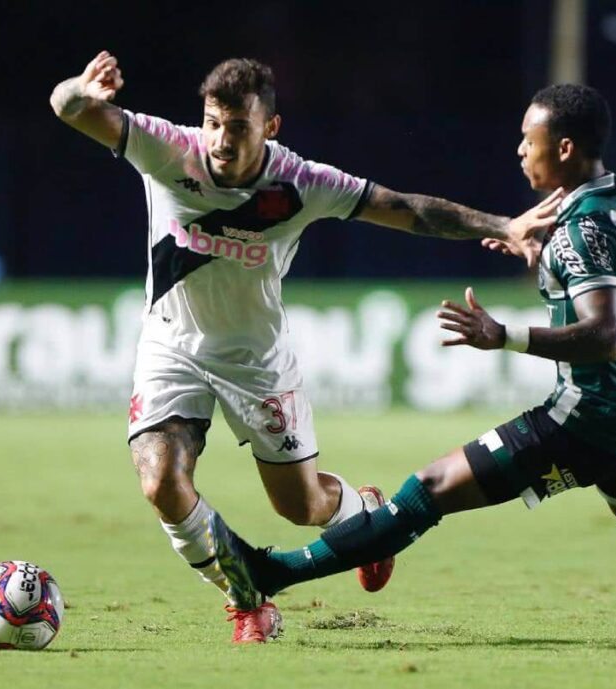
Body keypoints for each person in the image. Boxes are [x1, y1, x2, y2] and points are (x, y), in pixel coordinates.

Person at [210, 84, 616, 642]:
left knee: (428, 489)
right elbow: (607, 283)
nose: (518, 151)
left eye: (528, 140)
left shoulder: (579, 228)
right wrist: (548, 262)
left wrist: (501, 334)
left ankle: (274, 571)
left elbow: (604, 335)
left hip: (597, 414)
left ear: (563, 148)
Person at [49, 51, 562, 643]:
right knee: (160, 482)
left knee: (300, 505)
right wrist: (82, 89)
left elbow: (406, 209)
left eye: (238, 127)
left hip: (257, 362)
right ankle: (247, 599)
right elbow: (68, 108)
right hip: (171, 346)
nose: (220, 139)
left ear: (270, 127)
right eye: (214, 122)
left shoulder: (302, 183)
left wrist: (501, 225)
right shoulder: (167, 148)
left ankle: (357, 513)